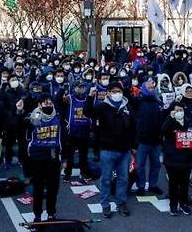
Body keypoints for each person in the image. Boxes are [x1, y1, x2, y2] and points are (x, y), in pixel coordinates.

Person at [85, 81, 135, 218]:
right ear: (108, 93)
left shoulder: (127, 106)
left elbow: (133, 126)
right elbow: (87, 112)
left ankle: (121, 202)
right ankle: (105, 204)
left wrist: (133, 147)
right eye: (113, 91)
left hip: (125, 149)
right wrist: (90, 97)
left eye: (119, 91)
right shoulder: (102, 107)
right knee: (106, 178)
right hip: (107, 149)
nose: (117, 94)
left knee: (123, 178)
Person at [18, 94, 64, 221]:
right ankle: (37, 215)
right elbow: (19, 124)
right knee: (38, 188)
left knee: (52, 188)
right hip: (37, 157)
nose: (48, 105)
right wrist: (20, 111)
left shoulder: (58, 116)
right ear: (39, 105)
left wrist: (64, 158)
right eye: (45, 103)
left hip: (53, 156)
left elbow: (63, 138)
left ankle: (51, 213)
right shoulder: (33, 118)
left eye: (50, 103)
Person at [162, 101, 192, 216]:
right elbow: (163, 130)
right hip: (172, 157)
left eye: (181, 110)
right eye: (176, 110)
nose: (179, 112)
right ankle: (173, 205)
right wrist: (170, 117)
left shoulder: (188, 121)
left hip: (186, 157)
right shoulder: (170, 122)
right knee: (173, 183)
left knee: (184, 183)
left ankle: (183, 204)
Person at [131, 78, 164, 196]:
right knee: (140, 165)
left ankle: (153, 185)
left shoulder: (158, 102)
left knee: (156, 164)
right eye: (149, 88)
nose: (151, 90)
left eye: (152, 88)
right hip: (142, 140)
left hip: (155, 140)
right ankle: (140, 186)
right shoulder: (138, 102)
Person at [62, 81, 95, 182]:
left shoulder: (89, 98)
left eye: (82, 87)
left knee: (83, 155)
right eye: (78, 87)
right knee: (69, 155)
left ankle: (84, 172)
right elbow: (59, 102)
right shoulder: (69, 98)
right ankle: (67, 173)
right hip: (72, 131)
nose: (81, 89)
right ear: (74, 87)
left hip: (85, 131)